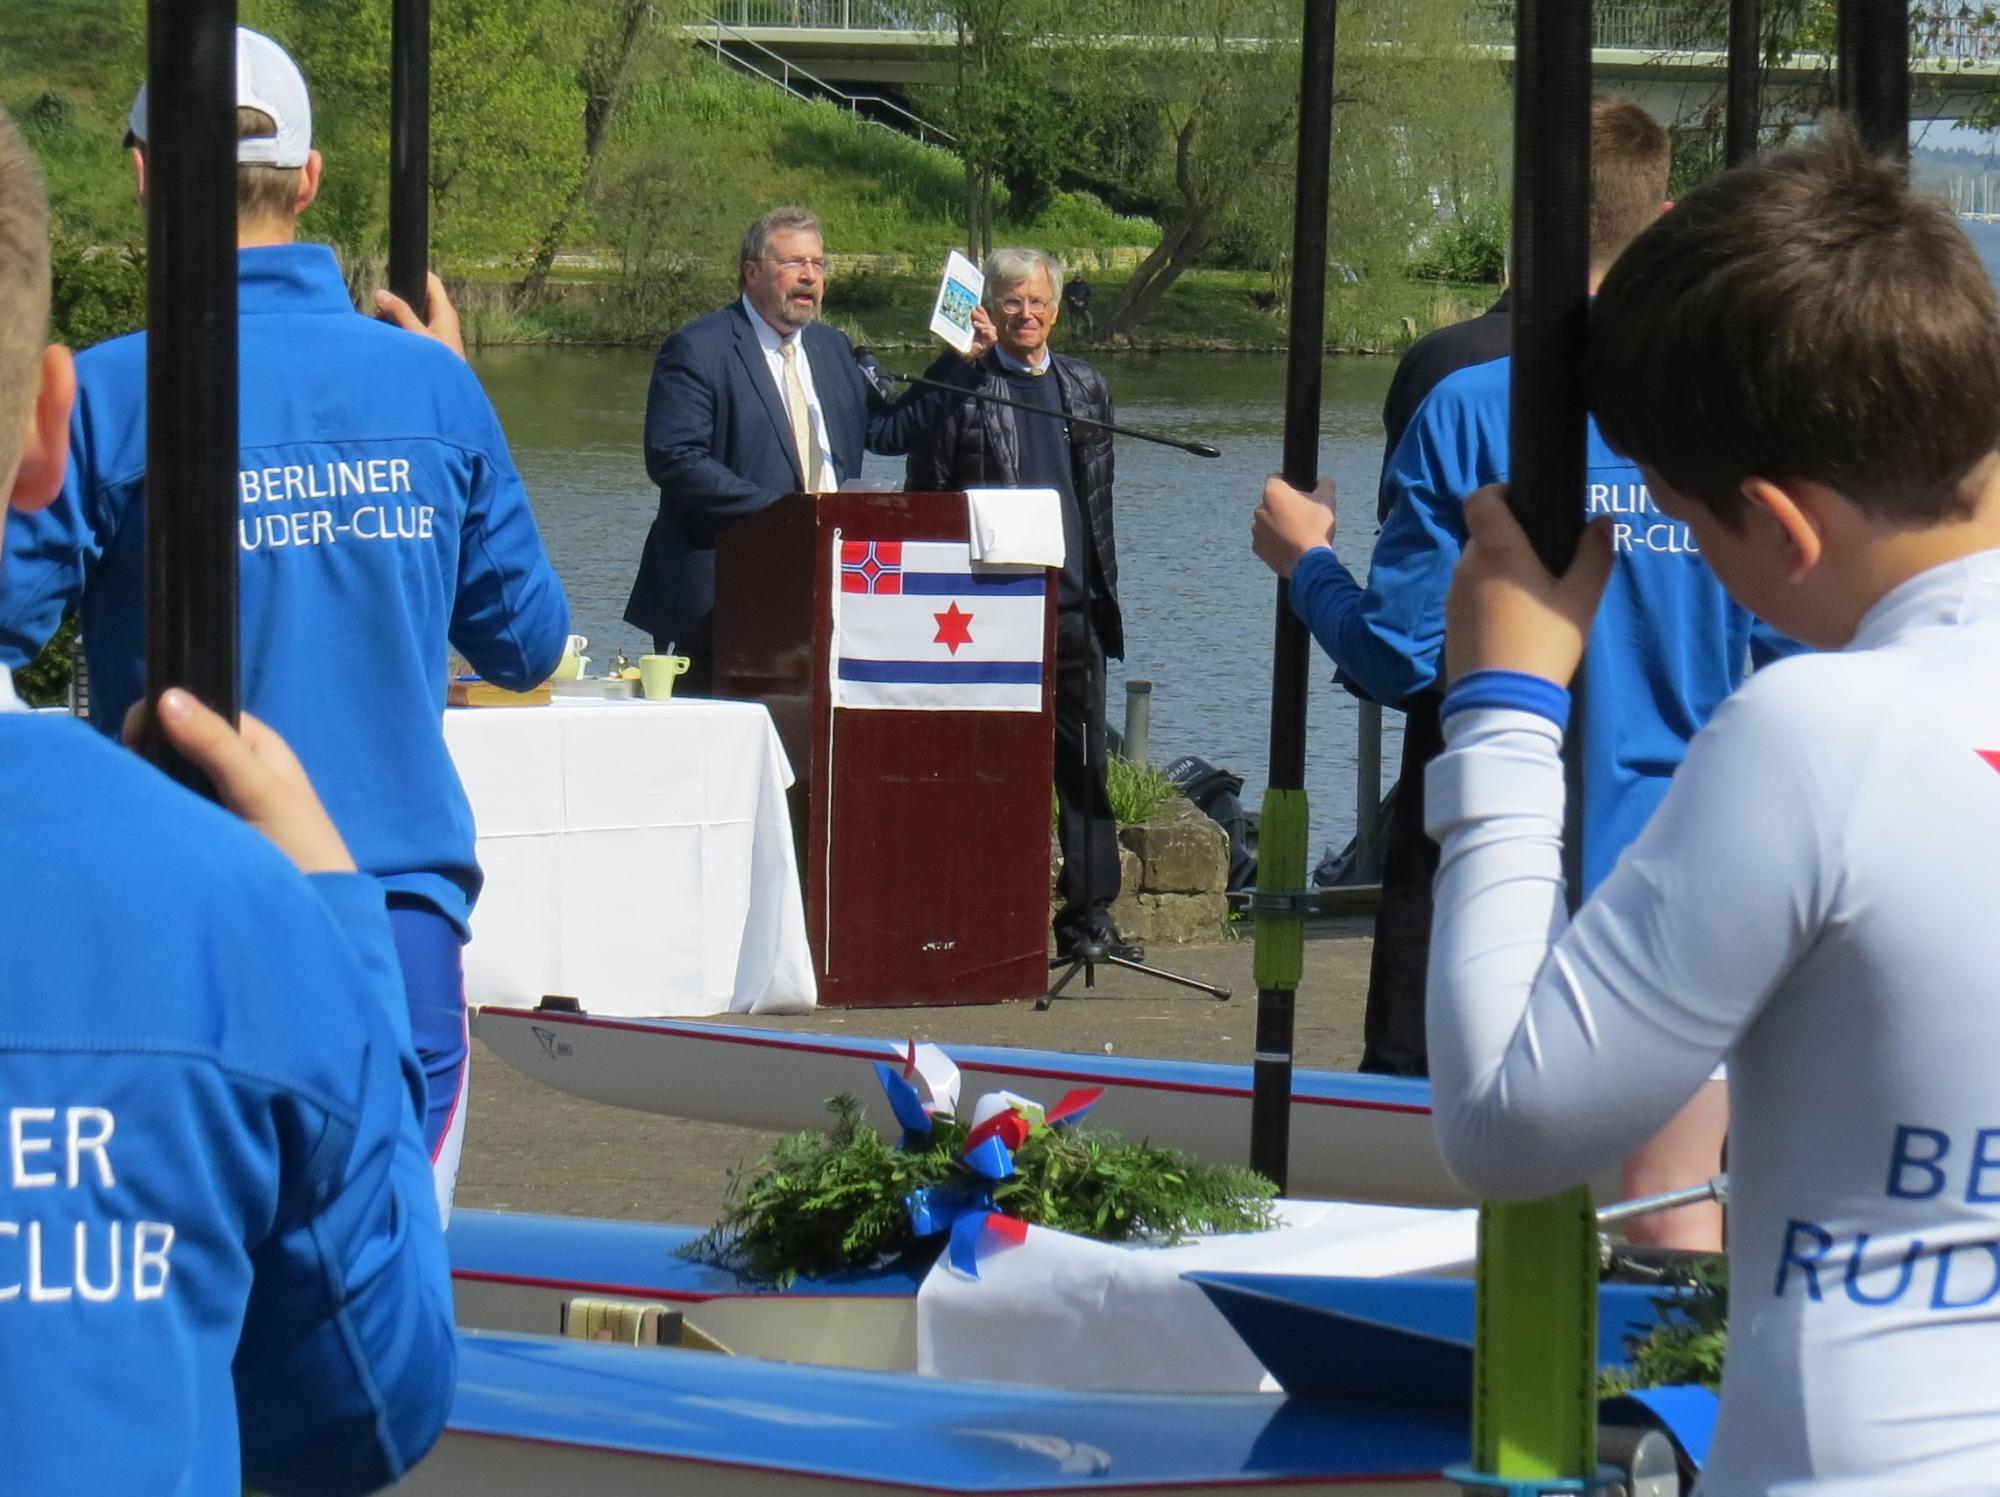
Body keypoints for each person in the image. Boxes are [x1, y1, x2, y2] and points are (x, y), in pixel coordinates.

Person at [1425, 124, 2000, 1491]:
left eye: (1695, 529)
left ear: (1781, 529)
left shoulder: (1820, 734)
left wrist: (1505, 702)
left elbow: (1510, 1127)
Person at [0, 27, 570, 1222]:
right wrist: (456, 410)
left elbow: (6, 616)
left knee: (189, 1311)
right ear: (309, 182)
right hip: (392, 918)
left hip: (175, 925)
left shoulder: (106, 391)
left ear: (148, 173)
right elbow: (524, 642)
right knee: (383, 1313)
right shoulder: (430, 384)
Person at [0, 106, 455, 1494]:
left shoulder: (141, 393)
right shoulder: (241, 924)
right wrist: (333, 923)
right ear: (44, 424)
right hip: (294, 899)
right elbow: (369, 1404)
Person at [1251, 100, 1777, 1248]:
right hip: (1697, 880)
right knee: (1675, 1215)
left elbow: (1397, 657)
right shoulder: (1737, 415)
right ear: (1669, 221)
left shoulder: (1463, 407)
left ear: (1520, 232)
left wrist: (1305, 567)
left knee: (1474, 1194)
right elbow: (1793, 650)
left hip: (1501, 868)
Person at [625, 206, 973, 693]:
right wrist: (789, 513)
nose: (810, 275)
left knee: (815, 745)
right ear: (752, 272)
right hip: (727, 592)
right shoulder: (699, 348)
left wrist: (958, 365)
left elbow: (889, 430)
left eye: (818, 263)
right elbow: (675, 459)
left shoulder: (833, 347)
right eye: (793, 263)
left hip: (830, 584)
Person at [906, 247, 1135, 961]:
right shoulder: (963, 388)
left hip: (1074, 608)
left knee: (1086, 769)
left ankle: (1090, 919)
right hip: (989, 613)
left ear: (1056, 311)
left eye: (1037, 302)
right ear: (989, 309)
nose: (1025, 314)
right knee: (990, 769)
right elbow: (927, 496)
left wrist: (1100, 595)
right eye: (1011, 301)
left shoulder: (1086, 386)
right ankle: (987, 921)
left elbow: (1097, 502)